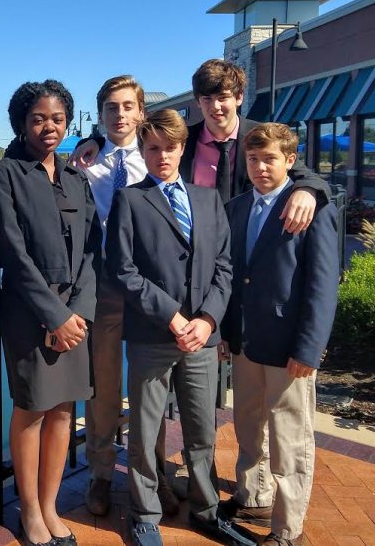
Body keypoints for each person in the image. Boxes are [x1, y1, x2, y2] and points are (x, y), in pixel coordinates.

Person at [106, 109, 254, 546]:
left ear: (182, 148)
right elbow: (123, 270)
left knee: (201, 429)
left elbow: (225, 267)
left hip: (202, 340)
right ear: (143, 152)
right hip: (154, 335)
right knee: (146, 430)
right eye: (152, 148)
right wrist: (172, 315)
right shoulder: (130, 200)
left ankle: (207, 509)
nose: (162, 156)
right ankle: (144, 513)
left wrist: (208, 320)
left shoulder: (208, 201)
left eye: (169, 147)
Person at [0, 80, 100, 546]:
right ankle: (29, 512)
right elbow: (12, 251)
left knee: (62, 412)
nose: (48, 127)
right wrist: (54, 316)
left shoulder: (76, 177)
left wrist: (78, 313)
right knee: (32, 409)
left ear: (67, 121)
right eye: (37, 118)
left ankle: (50, 507)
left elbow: (94, 251)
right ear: (21, 123)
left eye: (56, 118)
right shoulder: (6, 174)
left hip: (76, 314)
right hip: (30, 312)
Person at [220, 124, 339, 546]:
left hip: (289, 346)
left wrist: (310, 347)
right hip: (247, 341)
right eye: (253, 159)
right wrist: (226, 332)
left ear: (290, 161)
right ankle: (254, 494)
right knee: (248, 424)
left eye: (269, 159)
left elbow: (323, 286)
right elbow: (233, 277)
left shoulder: (310, 209)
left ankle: (289, 529)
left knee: (289, 437)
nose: (260, 167)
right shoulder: (235, 208)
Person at [71, 59, 330, 233]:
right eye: (207, 99)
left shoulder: (260, 136)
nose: (215, 107)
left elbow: (301, 172)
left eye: (223, 98)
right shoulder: (182, 143)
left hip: (247, 247)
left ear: (239, 98)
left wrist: (307, 190)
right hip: (196, 254)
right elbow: (142, 142)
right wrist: (92, 141)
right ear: (198, 102)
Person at [79, 76, 179, 518]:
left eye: (126, 107)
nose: (119, 114)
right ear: (100, 114)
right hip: (101, 287)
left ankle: (152, 469)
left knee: (149, 387)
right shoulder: (86, 162)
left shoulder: (158, 159)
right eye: (110, 107)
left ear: (140, 113)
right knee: (102, 386)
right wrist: (90, 141)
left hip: (148, 287)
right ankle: (100, 473)